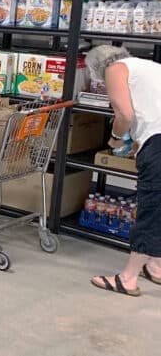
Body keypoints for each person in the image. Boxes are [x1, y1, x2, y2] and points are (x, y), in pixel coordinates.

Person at [87, 45, 161, 296]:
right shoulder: (149, 67)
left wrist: (117, 138)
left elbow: (125, 114)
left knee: (150, 209)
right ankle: (156, 266)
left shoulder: (115, 69)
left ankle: (128, 278)